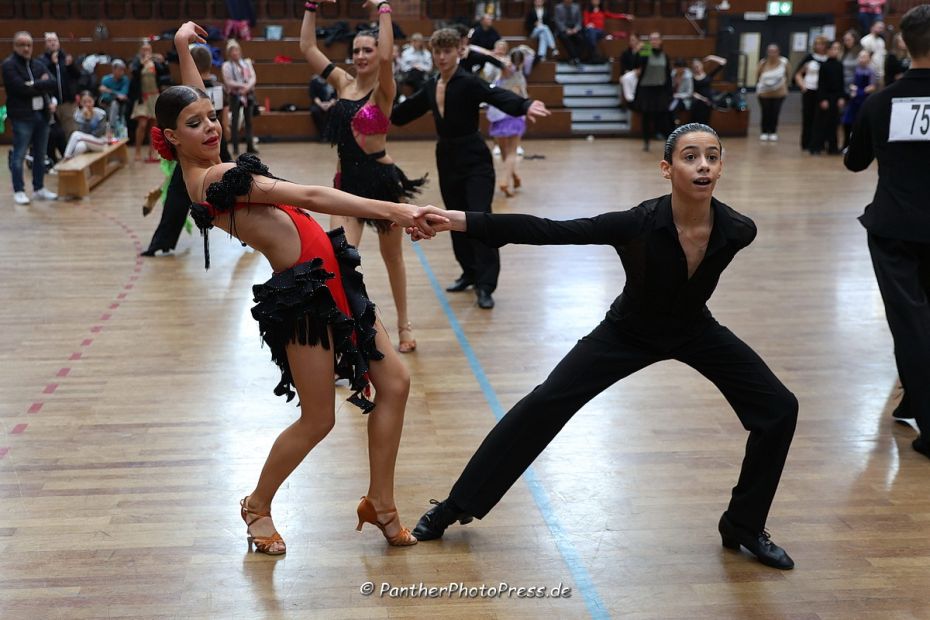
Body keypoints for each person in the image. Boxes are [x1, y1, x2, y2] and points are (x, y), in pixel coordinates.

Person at [407, 123, 799, 571]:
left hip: (694, 329)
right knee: (545, 403)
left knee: (779, 408)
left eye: (711, 156)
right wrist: (458, 219)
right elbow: (548, 230)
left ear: (721, 167)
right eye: (690, 157)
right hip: (627, 331)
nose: (703, 164)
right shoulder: (638, 223)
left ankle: (744, 525)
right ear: (666, 169)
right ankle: (457, 504)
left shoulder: (737, 230)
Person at [160, 21, 446, 554]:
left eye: (212, 117)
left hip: (335, 274)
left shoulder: (194, 157)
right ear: (173, 138)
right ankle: (256, 505)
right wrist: (396, 209)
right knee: (318, 418)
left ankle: (379, 504)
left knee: (397, 384)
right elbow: (313, 194)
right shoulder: (214, 180)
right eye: (195, 124)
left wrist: (182, 48)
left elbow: (190, 100)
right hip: (304, 299)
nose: (211, 127)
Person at [391, 28, 550, 310]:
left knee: (480, 218)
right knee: (451, 218)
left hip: (475, 157)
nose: (441, 57)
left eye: (447, 51)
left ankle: (486, 285)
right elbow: (401, 116)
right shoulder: (430, 85)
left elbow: (498, 95)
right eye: (437, 52)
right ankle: (469, 272)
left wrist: (524, 105)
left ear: (459, 51)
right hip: (447, 157)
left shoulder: (469, 82)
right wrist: (376, 105)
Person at [300, 0, 427, 353]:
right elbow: (307, 47)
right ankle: (348, 333)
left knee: (392, 258)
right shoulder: (342, 81)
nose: (360, 56)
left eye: (367, 49)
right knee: (340, 259)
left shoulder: (385, 89)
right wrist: (311, 6)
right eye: (355, 50)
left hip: (381, 183)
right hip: (346, 186)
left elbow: (387, 59)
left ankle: (404, 326)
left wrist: (384, 9)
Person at [844, 4, 930, 459]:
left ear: (902, 45)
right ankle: (915, 398)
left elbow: (855, 161)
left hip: (895, 227)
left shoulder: (881, 103)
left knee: (911, 323)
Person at [141, 44, 232, 256]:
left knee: (177, 194)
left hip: (195, 145)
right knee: (234, 187)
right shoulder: (219, 87)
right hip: (217, 141)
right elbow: (224, 120)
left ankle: (161, 242)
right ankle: (250, 235)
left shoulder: (188, 92)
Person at [2, 31, 58, 205]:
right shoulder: (9, 65)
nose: (26, 48)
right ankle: (19, 190)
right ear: (15, 46)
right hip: (22, 117)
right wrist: (40, 85)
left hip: (41, 115)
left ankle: (39, 188)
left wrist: (34, 84)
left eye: (29, 45)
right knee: (19, 154)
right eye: (22, 45)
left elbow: (53, 82)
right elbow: (19, 88)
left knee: (40, 154)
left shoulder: (38, 64)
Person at [488, 48, 529, 197]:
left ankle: (514, 177)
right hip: (513, 115)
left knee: (505, 152)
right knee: (512, 152)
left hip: (498, 116)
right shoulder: (518, 75)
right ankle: (505, 181)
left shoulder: (502, 70)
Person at [130, 40, 169, 162]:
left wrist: (163, 61)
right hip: (142, 97)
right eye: (144, 49)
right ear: (140, 50)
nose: (147, 52)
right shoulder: (137, 62)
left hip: (154, 95)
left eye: (149, 49)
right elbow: (134, 73)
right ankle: (137, 151)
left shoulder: (154, 62)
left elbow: (164, 73)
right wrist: (143, 63)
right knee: (142, 124)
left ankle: (152, 152)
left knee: (153, 124)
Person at [634, 31, 672, 151]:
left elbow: (667, 75)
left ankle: (669, 143)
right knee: (646, 117)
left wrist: (669, 92)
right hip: (647, 90)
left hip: (660, 90)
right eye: (651, 39)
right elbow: (637, 62)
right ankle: (646, 142)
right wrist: (640, 51)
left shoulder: (665, 56)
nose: (654, 41)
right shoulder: (646, 53)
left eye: (656, 39)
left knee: (663, 117)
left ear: (661, 41)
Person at [39, 32, 83, 136]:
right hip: (52, 104)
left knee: (72, 132)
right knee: (53, 134)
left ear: (58, 42)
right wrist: (52, 64)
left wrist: (71, 65)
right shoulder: (41, 60)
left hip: (68, 103)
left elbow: (78, 75)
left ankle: (72, 153)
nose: (52, 43)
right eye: (49, 41)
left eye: (54, 40)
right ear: (45, 44)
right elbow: (42, 77)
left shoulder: (66, 57)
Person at [808, 40, 845, 155]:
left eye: (837, 49)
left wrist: (841, 97)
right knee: (821, 123)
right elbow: (821, 84)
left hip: (835, 96)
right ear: (828, 51)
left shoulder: (839, 65)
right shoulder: (824, 66)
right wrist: (822, 99)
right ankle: (816, 146)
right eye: (833, 49)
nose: (835, 51)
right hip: (825, 97)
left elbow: (841, 83)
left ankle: (833, 147)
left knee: (834, 123)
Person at [222, 39, 257, 156]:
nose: (235, 53)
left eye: (236, 50)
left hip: (248, 95)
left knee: (249, 121)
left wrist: (247, 87)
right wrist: (243, 86)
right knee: (235, 121)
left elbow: (253, 77)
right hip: (234, 95)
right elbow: (228, 81)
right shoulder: (226, 65)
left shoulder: (246, 63)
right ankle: (235, 147)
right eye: (232, 51)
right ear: (229, 53)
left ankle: (250, 146)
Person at [794, 35, 829, 152]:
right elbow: (798, 73)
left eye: (822, 44)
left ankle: (819, 142)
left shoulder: (828, 58)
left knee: (820, 118)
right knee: (808, 116)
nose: (820, 46)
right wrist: (803, 86)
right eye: (817, 44)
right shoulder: (809, 58)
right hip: (809, 90)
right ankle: (806, 142)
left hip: (822, 91)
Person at [841, 49, 876, 149]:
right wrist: (853, 89)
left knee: (862, 123)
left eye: (864, 57)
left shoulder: (871, 71)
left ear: (869, 59)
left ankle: (862, 146)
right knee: (847, 122)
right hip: (854, 99)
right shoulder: (856, 69)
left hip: (864, 99)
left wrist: (861, 91)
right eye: (860, 57)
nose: (861, 59)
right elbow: (852, 83)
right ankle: (846, 144)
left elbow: (872, 86)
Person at [756, 44, 790, 141]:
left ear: (778, 52)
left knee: (775, 112)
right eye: (770, 51)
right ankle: (764, 131)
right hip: (764, 93)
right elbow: (758, 75)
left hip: (779, 93)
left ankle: (773, 131)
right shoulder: (763, 63)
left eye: (774, 51)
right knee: (765, 112)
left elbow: (788, 75)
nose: (772, 54)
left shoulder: (784, 62)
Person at [62, 91, 109, 159]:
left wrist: (88, 120)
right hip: (87, 141)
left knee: (76, 134)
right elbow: (82, 131)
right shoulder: (78, 115)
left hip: (100, 142)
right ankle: (74, 166)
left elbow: (99, 133)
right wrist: (86, 119)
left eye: (90, 101)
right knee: (79, 147)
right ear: (80, 103)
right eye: (84, 102)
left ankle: (66, 155)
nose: (87, 104)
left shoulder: (101, 113)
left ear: (94, 101)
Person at [690, 55, 726, 125]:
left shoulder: (709, 76)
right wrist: (702, 98)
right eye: (694, 67)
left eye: (698, 66)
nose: (696, 68)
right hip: (698, 101)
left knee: (705, 122)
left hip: (708, 102)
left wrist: (711, 57)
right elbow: (692, 92)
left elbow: (723, 62)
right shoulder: (692, 78)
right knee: (696, 122)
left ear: (702, 65)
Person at [99, 59, 131, 136]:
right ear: (113, 69)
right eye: (120, 70)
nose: (122, 72)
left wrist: (109, 91)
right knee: (113, 104)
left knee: (115, 104)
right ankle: (111, 129)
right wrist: (116, 95)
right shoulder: (105, 79)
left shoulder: (125, 80)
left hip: (122, 105)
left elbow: (123, 95)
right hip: (107, 105)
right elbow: (105, 97)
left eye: (123, 70)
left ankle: (113, 129)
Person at [555, 0, 589, 65]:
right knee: (565, 38)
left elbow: (579, 21)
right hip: (563, 29)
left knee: (583, 38)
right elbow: (558, 21)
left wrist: (575, 29)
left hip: (574, 29)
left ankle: (573, 58)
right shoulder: (558, 7)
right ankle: (575, 58)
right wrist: (566, 30)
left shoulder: (576, 7)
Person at [524, 0, 558, 64]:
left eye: (540, 1)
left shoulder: (547, 11)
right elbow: (527, 25)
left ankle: (541, 55)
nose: (539, 2)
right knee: (545, 28)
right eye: (537, 1)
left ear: (543, 2)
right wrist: (534, 24)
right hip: (534, 32)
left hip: (544, 32)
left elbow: (550, 23)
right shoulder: (530, 12)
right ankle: (553, 47)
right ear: (534, 2)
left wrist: (542, 25)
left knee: (543, 34)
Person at [309, 73, 337, 139]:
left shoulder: (332, 80)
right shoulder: (314, 81)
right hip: (318, 103)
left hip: (330, 103)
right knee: (315, 111)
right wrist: (321, 104)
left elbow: (335, 96)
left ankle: (330, 134)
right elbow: (314, 96)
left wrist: (329, 104)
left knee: (335, 111)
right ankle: (322, 133)